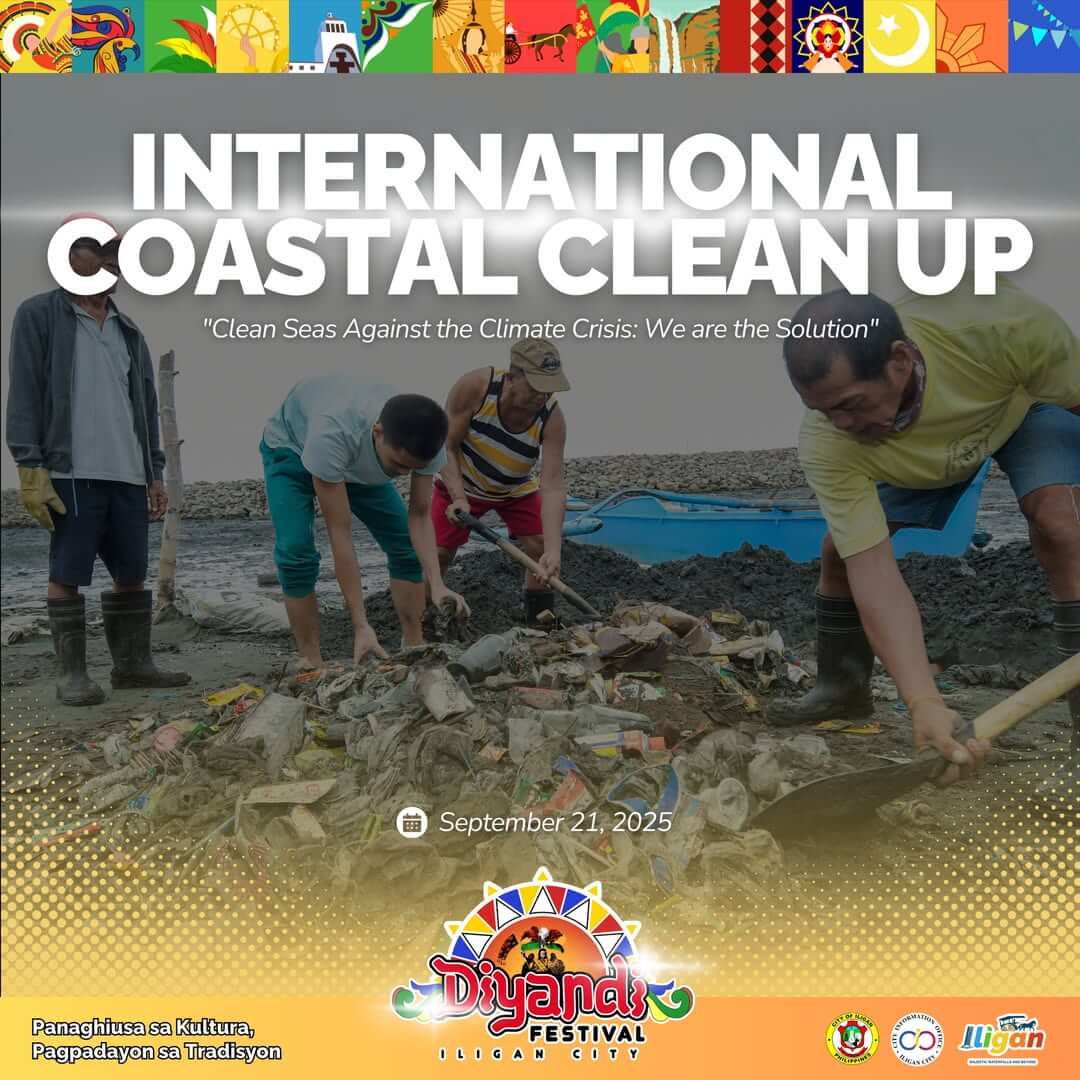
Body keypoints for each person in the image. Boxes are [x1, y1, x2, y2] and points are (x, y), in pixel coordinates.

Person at [772, 280, 1079, 796]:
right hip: (915, 459)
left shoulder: (998, 326)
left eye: (850, 403)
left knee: (1062, 525)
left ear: (899, 359)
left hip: (1017, 411)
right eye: (826, 411)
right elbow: (875, 572)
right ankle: (841, 689)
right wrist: (925, 704)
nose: (842, 423)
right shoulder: (832, 439)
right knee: (840, 556)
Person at [5, 222, 190, 706]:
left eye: (118, 256)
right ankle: (73, 676)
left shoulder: (130, 331)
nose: (111, 262)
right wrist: (30, 465)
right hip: (70, 471)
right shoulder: (39, 316)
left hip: (127, 473)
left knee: (131, 572)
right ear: (70, 257)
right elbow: (24, 391)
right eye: (100, 252)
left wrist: (154, 471)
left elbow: (144, 407)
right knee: (67, 572)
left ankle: (133, 666)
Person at [260, 376, 468, 667]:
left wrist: (436, 584)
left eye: (413, 469)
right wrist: (360, 625)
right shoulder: (333, 434)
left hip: (360, 457)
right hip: (291, 447)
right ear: (378, 432)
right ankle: (311, 660)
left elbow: (420, 515)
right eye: (399, 466)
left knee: (406, 548)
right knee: (296, 553)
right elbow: (340, 532)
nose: (404, 474)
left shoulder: (430, 442)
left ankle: (413, 645)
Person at [434, 339, 569, 626]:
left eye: (549, 387)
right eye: (535, 387)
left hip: (515, 488)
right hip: (463, 483)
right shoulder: (474, 389)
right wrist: (458, 497)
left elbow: (553, 485)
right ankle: (427, 621)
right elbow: (446, 447)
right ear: (511, 378)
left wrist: (553, 550)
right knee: (438, 552)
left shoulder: (552, 418)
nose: (542, 396)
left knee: (539, 546)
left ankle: (538, 622)